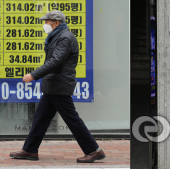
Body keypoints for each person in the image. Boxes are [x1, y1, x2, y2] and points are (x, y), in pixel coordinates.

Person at [9, 10, 105, 163]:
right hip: (53, 85)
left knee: (72, 119)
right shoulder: (57, 36)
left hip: (59, 85)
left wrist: (34, 75)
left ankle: (94, 150)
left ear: (56, 23)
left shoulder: (65, 38)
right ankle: (30, 150)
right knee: (40, 118)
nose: (45, 24)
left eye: (47, 22)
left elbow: (55, 61)